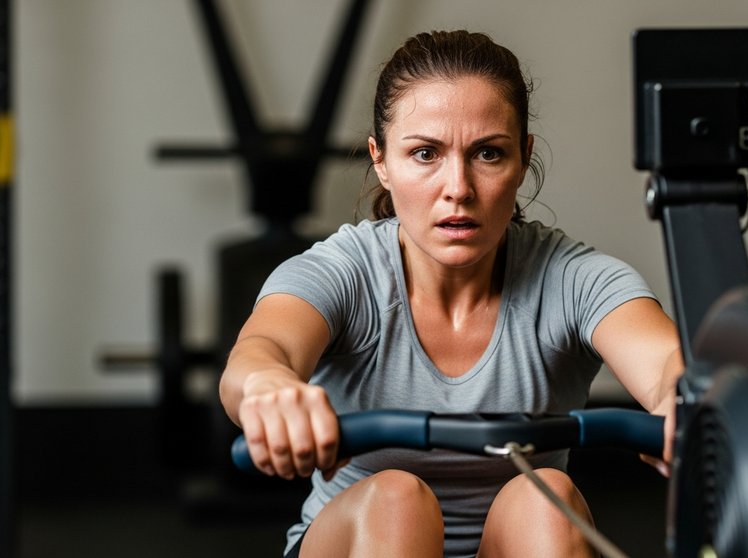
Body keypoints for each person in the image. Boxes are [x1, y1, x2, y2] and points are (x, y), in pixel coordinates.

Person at [219, 30, 683, 558]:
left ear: (523, 159)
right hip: (363, 541)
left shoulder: (572, 277)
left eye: (487, 153)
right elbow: (260, 353)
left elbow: (668, 360)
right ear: (381, 161)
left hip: (521, 543)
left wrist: (682, 397)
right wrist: (269, 387)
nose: (458, 187)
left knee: (547, 498)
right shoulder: (344, 271)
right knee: (396, 499)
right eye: (424, 154)